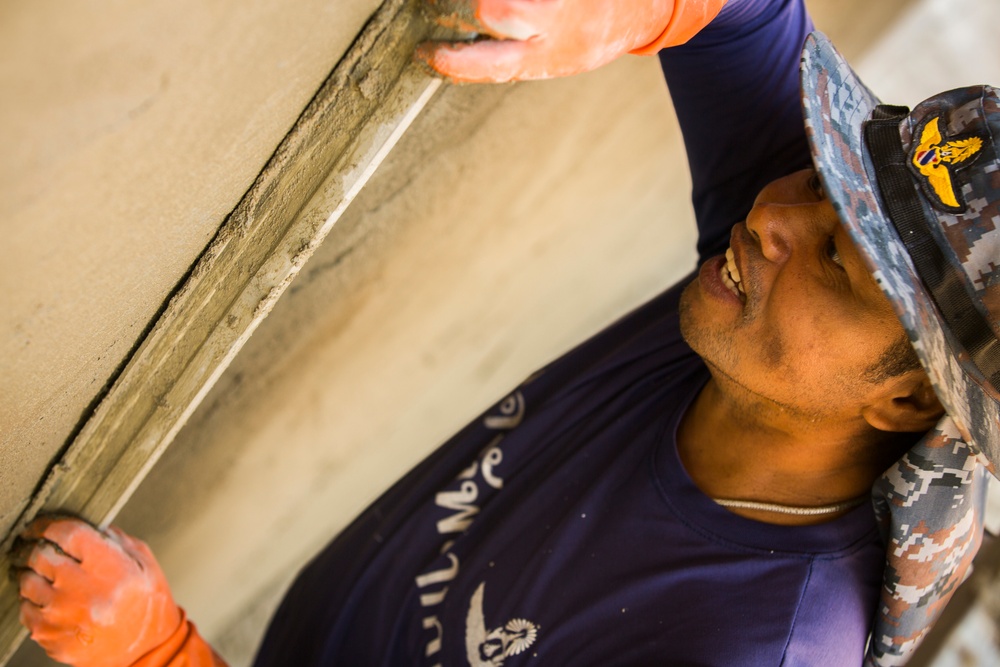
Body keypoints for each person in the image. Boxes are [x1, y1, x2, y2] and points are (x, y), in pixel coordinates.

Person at [13, 0, 1000, 665]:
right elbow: (740, 11)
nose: (773, 213)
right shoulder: (777, 285)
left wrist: (163, 653)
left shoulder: (746, 643)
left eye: (837, 257)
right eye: (824, 174)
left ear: (908, 396)